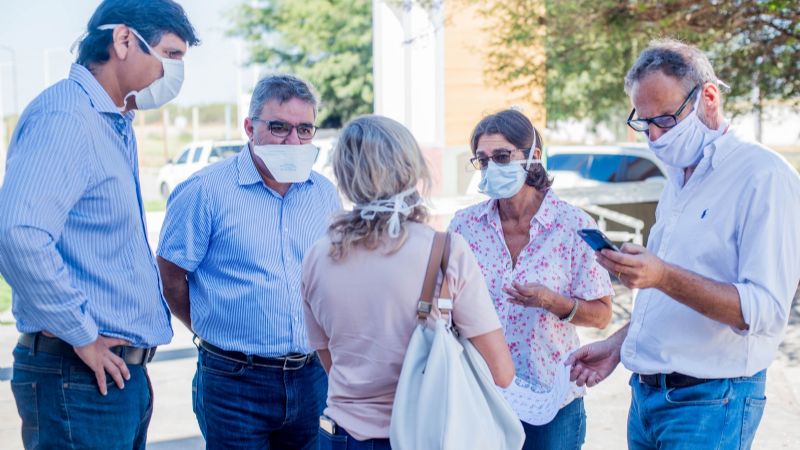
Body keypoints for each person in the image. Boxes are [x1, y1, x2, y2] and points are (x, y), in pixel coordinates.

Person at [566, 39, 800, 449]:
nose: (654, 136)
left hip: (711, 402)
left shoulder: (764, 177)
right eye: (644, 123)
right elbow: (668, 296)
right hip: (647, 398)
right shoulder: (678, 178)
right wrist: (618, 345)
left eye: (666, 121)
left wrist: (662, 275)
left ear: (708, 97)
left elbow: (763, 311)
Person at [0, 1, 198, 448]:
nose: (177, 75)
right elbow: (18, 235)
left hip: (111, 378)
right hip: (79, 376)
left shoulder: (111, 121)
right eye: (172, 56)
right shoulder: (67, 117)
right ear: (125, 40)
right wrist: (83, 335)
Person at [302, 115, 515, 449]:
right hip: (429, 435)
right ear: (411, 169)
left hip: (344, 437)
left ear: (343, 175)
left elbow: (331, 361)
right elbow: (501, 373)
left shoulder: (316, 257)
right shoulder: (445, 252)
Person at [157, 74, 340, 449]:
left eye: (304, 130)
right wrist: (213, 328)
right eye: (279, 127)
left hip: (310, 377)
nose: (293, 141)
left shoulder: (324, 194)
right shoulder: (204, 192)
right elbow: (171, 276)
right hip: (233, 381)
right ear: (249, 128)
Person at [448, 109, 614, 450]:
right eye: (483, 160)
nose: (492, 167)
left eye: (502, 156)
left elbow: (601, 314)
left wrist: (551, 301)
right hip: (481, 393)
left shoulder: (572, 225)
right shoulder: (463, 226)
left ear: (534, 157)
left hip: (551, 398)